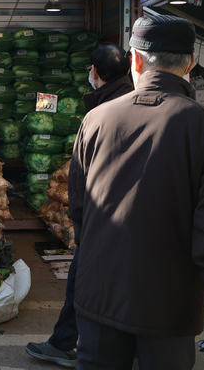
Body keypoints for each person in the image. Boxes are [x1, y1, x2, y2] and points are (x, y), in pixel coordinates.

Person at [68, 15, 204, 370]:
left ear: (135, 59)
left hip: (98, 292)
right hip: (169, 302)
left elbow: (79, 209)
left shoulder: (97, 118)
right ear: (190, 64)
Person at [25, 42, 134, 368]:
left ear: (96, 72)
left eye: (90, 68)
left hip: (104, 218)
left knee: (82, 284)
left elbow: (82, 176)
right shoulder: (131, 101)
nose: (88, 73)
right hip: (129, 217)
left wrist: (81, 221)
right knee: (121, 285)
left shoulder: (103, 114)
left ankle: (66, 346)